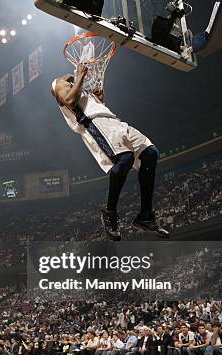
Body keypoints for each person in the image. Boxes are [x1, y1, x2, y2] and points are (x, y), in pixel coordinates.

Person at [51, 66, 169, 240]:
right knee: (125, 158)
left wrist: (98, 99)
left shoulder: (79, 87)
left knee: (150, 153)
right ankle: (109, 213)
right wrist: (80, 76)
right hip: (94, 124)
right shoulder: (58, 83)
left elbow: (86, 104)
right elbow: (69, 101)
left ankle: (145, 216)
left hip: (113, 121)